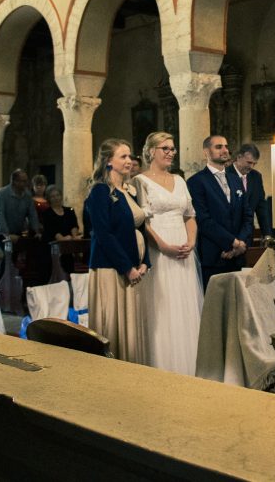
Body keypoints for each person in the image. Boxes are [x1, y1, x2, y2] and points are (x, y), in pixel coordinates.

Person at [134, 132, 201, 375]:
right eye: (165, 148)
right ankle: (163, 364)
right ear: (151, 151)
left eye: (173, 148)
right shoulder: (139, 181)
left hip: (183, 250)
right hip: (158, 250)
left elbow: (190, 215)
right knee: (162, 306)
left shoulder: (179, 180)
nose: (171, 152)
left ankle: (189, 363)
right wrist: (162, 246)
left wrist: (190, 241)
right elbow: (141, 221)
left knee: (184, 304)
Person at [84, 139, 150, 363]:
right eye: (123, 156)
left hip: (133, 267)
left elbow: (141, 228)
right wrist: (127, 267)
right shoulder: (100, 191)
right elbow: (104, 234)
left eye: (130, 156)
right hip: (111, 268)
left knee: (130, 323)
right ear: (108, 162)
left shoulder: (128, 191)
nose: (129, 161)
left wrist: (145, 262)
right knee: (112, 324)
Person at [187, 135, 253, 290]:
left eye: (226, 146)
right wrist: (232, 242)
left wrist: (241, 243)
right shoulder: (196, 181)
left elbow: (247, 215)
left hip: (238, 256)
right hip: (214, 255)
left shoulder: (235, 180)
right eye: (218, 147)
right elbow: (203, 220)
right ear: (206, 152)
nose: (224, 150)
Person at [227, 143, 270, 241]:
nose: (251, 167)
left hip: (248, 235)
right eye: (249, 162)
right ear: (239, 157)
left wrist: (267, 234)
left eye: (254, 163)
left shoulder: (256, 177)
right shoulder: (225, 174)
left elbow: (261, 207)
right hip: (229, 234)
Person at [0, 169, 40, 250]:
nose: (26, 183)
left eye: (26, 181)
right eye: (23, 181)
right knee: (7, 252)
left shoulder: (27, 195)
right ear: (14, 181)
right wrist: (7, 235)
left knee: (18, 252)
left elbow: (32, 214)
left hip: (16, 229)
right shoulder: (2, 194)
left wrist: (36, 231)